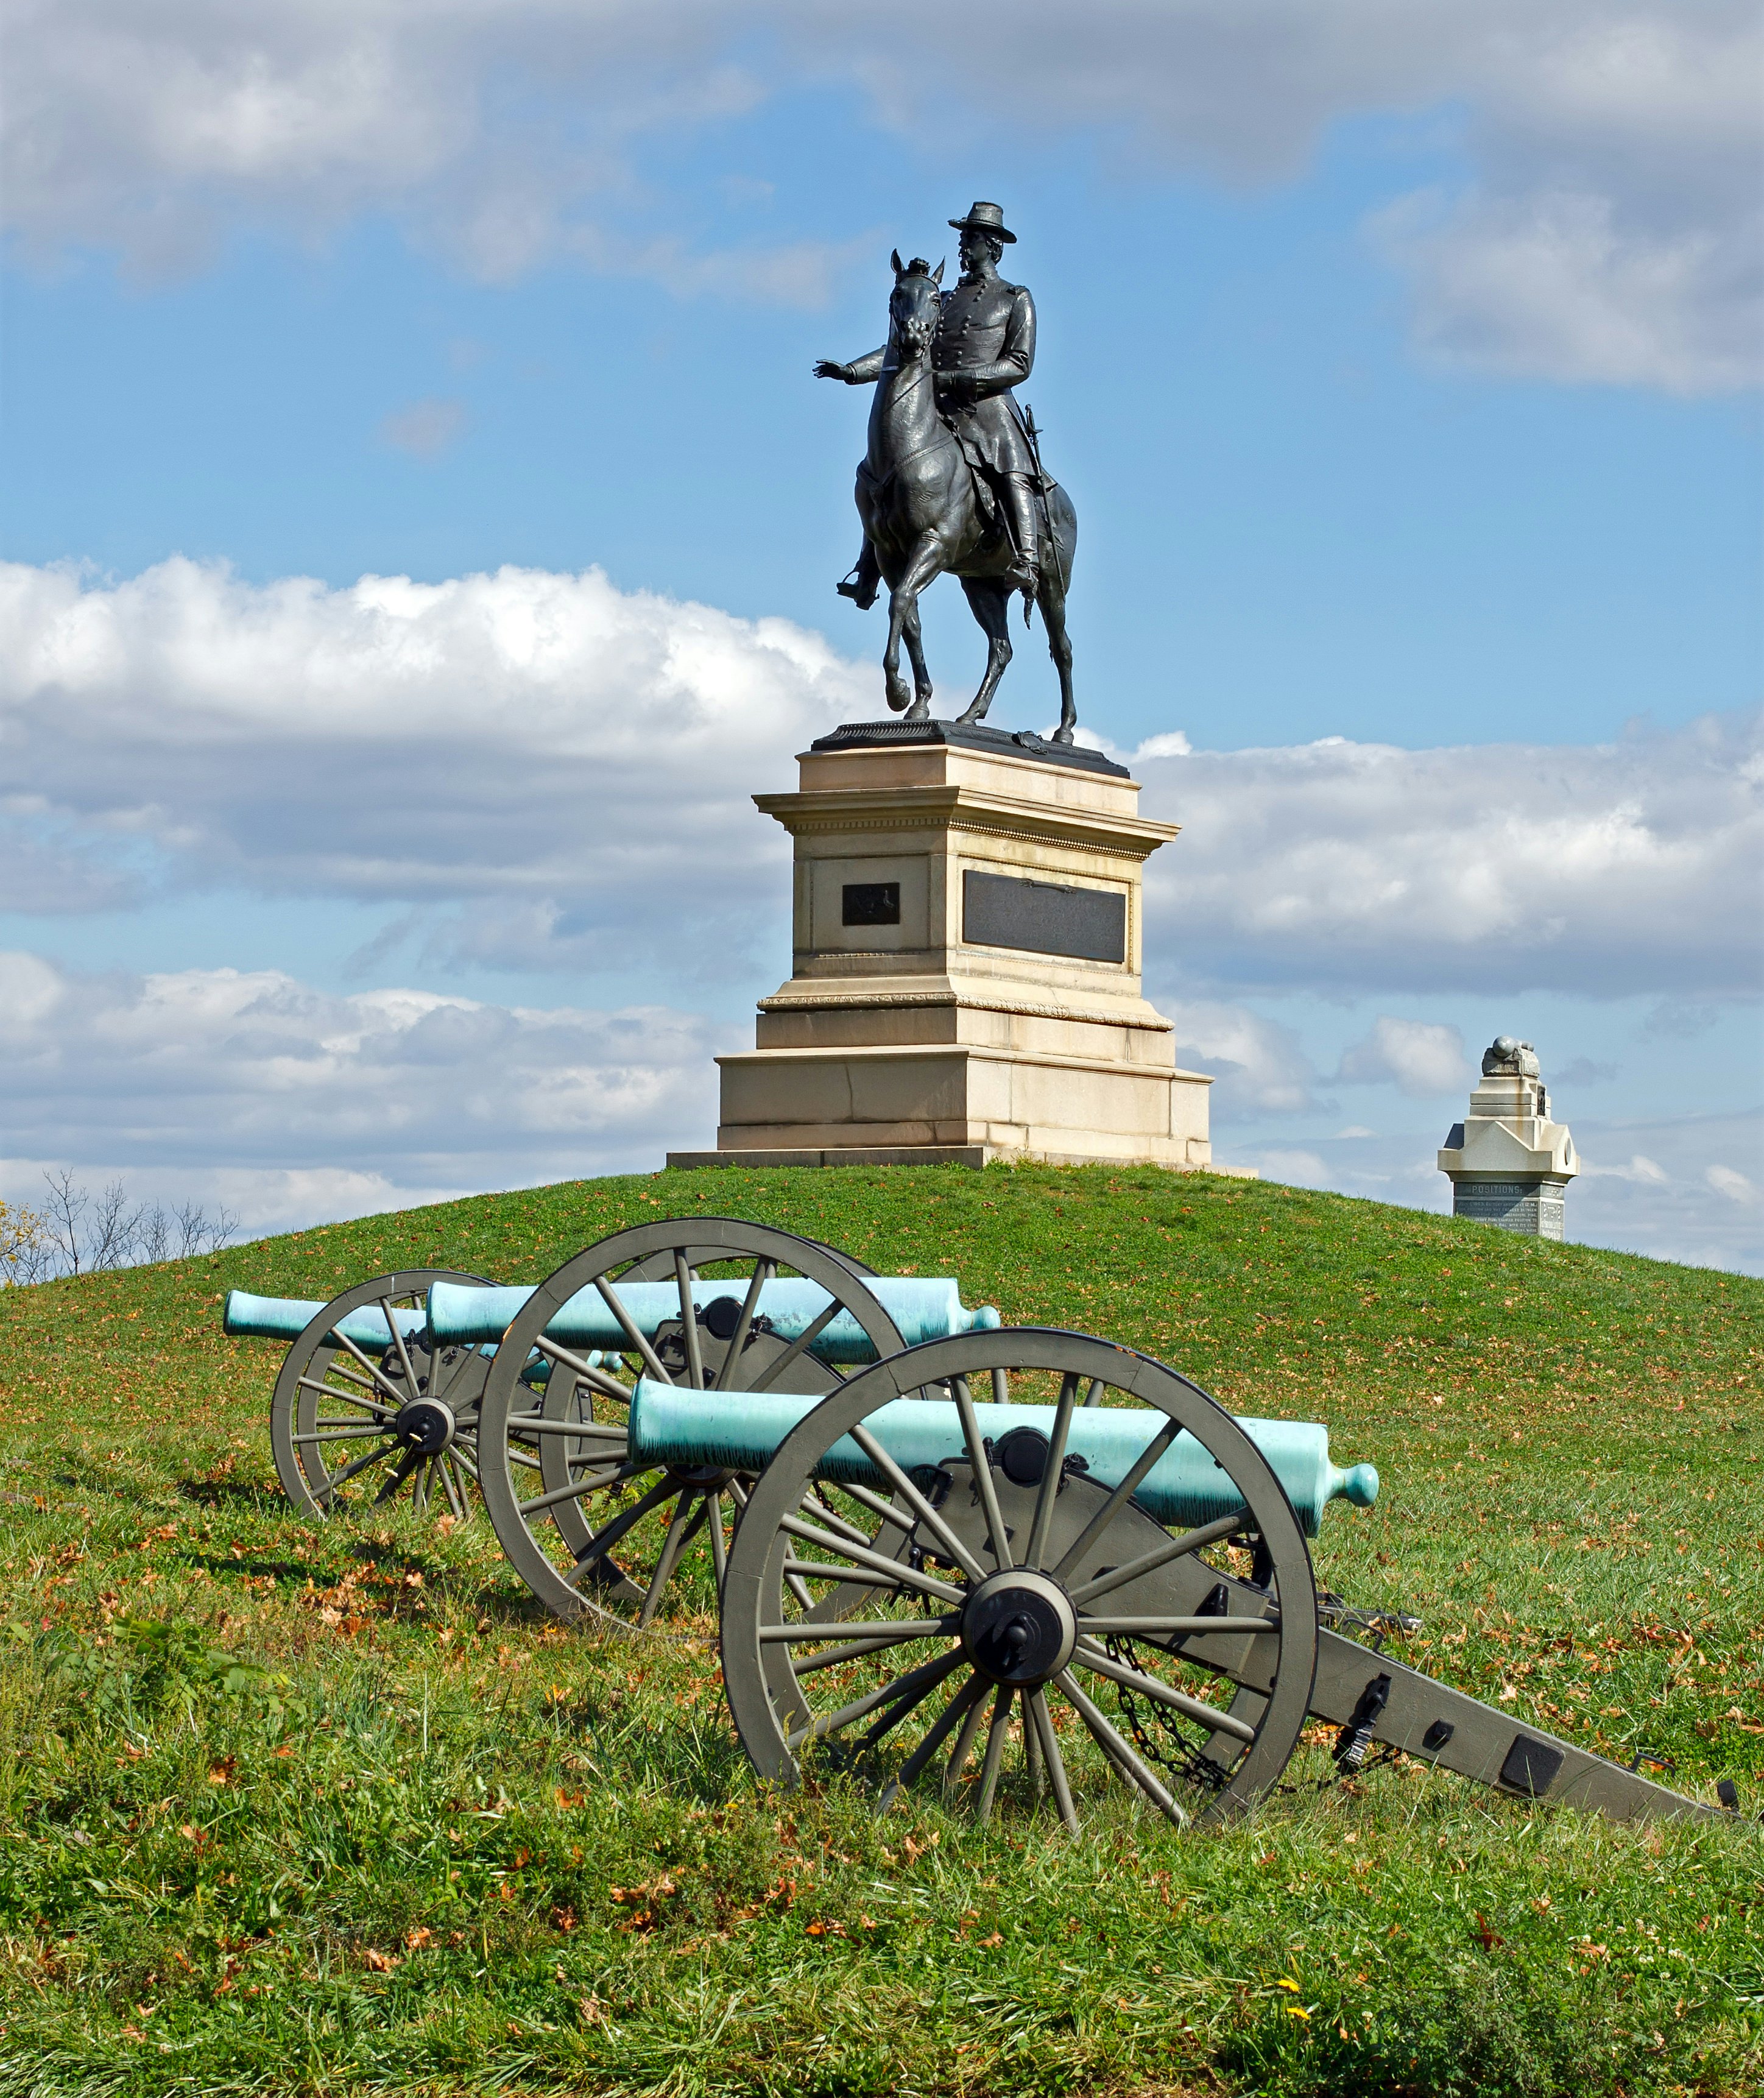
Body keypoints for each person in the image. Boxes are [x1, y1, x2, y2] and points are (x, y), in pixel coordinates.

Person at [816, 201, 1044, 609]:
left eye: (970, 238)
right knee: (885, 471)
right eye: (962, 237)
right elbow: (906, 345)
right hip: (937, 407)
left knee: (1012, 467)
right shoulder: (945, 297)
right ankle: (868, 570)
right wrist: (852, 371)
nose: (962, 245)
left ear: (992, 246)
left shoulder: (1014, 298)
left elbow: (1019, 364)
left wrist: (959, 379)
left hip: (989, 409)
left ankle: (1027, 559)